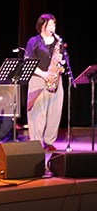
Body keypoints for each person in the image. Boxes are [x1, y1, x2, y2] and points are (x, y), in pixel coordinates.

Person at [25, 13, 64, 152]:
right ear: (42, 26)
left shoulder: (58, 42)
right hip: (38, 78)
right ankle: (36, 142)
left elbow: (61, 59)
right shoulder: (33, 41)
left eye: (54, 25)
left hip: (55, 79)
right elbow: (28, 61)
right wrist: (43, 74)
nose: (53, 27)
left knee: (55, 112)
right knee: (38, 113)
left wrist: (61, 62)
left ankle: (49, 141)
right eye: (50, 25)